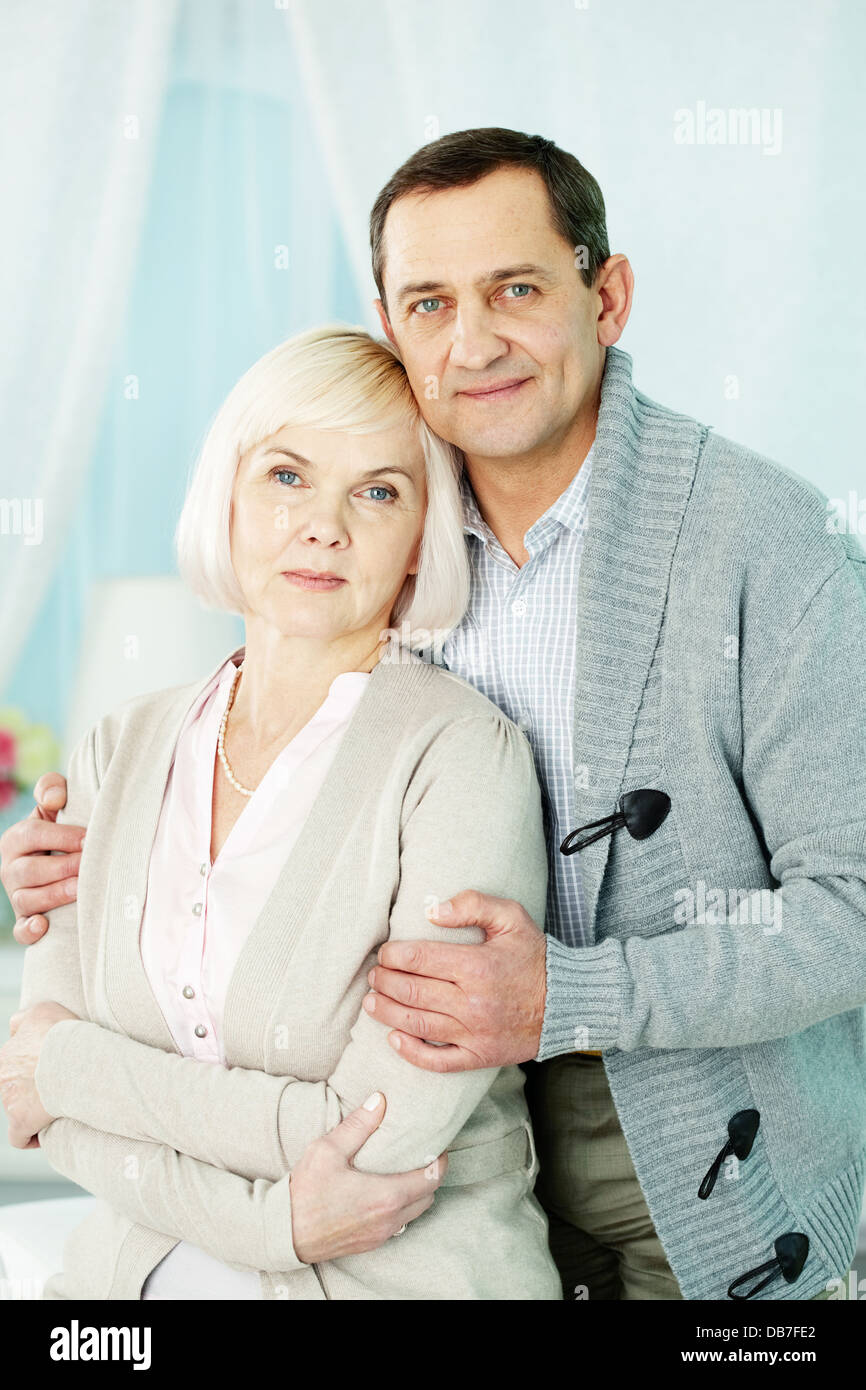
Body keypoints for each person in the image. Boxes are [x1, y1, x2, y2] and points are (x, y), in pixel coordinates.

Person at [4, 127, 865, 1302]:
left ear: (604, 294)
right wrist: (103, 868)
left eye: (515, 289)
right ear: (388, 323)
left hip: (698, 1143)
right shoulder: (388, 517)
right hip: (457, 1162)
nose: (473, 342)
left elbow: (852, 906)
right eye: (428, 302)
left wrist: (572, 992)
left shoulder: (765, 544)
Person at [0, 323, 562, 1301]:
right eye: (286, 475)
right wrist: (275, 1222)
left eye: (378, 490)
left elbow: (373, 1132)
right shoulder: (116, 749)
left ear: (422, 533)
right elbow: (35, 1098)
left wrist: (75, 1070)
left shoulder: (461, 758)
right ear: (227, 493)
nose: (324, 526)